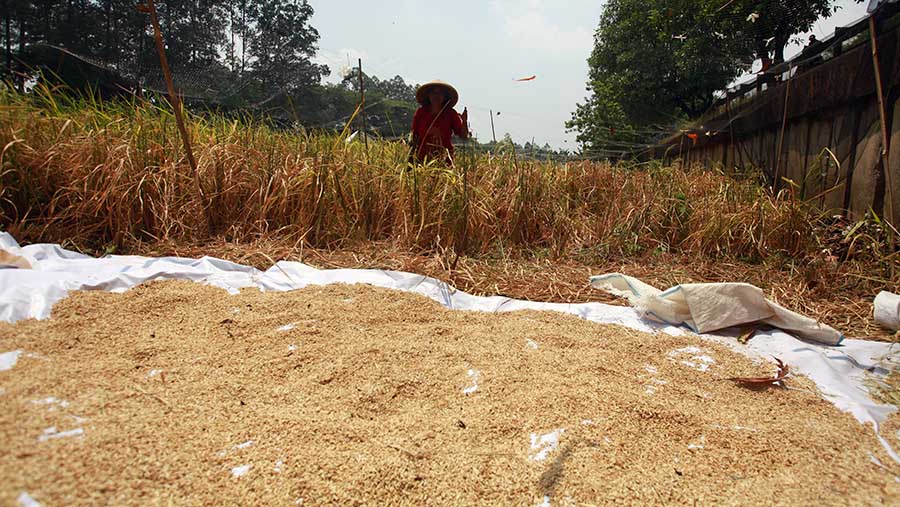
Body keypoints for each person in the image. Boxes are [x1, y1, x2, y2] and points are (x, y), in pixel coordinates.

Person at [410, 80, 469, 165]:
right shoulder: (421, 112)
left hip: (444, 157)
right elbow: (414, 136)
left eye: (440, 93)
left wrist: (464, 121)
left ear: (445, 97)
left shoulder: (450, 113)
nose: (436, 96)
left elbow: (463, 136)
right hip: (422, 157)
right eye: (433, 93)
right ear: (428, 95)